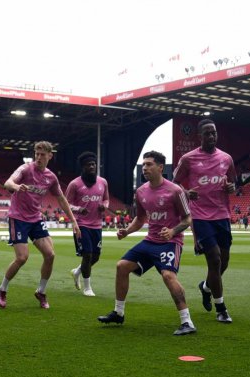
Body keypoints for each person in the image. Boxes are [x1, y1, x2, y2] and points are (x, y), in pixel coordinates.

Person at [98, 151, 196, 336]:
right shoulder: (141, 192)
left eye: (149, 164)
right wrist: (127, 231)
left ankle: (187, 321)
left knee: (168, 275)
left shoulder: (175, 191)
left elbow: (188, 219)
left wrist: (173, 231)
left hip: (170, 242)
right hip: (150, 241)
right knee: (121, 266)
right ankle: (118, 313)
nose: (145, 168)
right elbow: (141, 218)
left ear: (160, 167)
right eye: (144, 165)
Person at [0, 141, 81, 309]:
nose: (39, 157)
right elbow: (8, 182)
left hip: (35, 219)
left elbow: (62, 199)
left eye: (42, 154)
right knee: (22, 257)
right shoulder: (26, 169)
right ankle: (2, 289)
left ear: (50, 155)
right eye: (37, 153)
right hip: (18, 217)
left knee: (50, 255)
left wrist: (74, 221)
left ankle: (41, 292)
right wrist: (16, 186)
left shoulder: (51, 177)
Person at [173, 119, 236, 323]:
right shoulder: (188, 159)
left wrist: (231, 188)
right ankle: (221, 308)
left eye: (214, 133)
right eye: (207, 133)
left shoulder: (226, 158)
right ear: (199, 136)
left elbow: (233, 182)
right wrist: (186, 191)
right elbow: (173, 185)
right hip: (200, 216)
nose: (211, 136)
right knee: (215, 259)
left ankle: (206, 287)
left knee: (223, 261)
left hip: (222, 215)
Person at [65, 151, 109, 297]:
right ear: (82, 167)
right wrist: (78, 209)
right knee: (88, 255)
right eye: (88, 165)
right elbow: (66, 204)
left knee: (96, 257)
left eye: (93, 164)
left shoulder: (103, 182)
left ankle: (77, 271)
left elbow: (106, 199)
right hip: (81, 224)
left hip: (97, 224)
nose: (92, 167)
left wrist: (105, 205)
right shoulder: (74, 184)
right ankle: (87, 288)